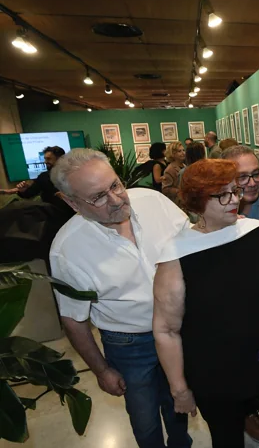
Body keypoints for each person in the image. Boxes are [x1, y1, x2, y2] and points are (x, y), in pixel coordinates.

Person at [153, 159, 259, 448]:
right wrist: (179, 389)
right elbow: (166, 330)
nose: (234, 200)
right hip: (215, 373)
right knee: (227, 440)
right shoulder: (176, 253)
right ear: (198, 201)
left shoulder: (256, 231)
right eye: (222, 194)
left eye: (234, 191)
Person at [49, 149, 192, 448]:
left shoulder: (152, 201)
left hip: (179, 330)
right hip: (129, 345)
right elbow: (73, 320)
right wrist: (101, 370)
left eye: (115, 185)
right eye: (98, 197)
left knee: (179, 404)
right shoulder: (67, 250)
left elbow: (194, 245)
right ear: (72, 203)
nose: (116, 200)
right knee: (144, 419)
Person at [0, 146, 70, 211]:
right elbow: (29, 194)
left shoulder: (72, 174)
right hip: (53, 214)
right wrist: (23, 191)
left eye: (48, 159)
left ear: (60, 159)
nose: (45, 162)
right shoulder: (43, 177)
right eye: (45, 159)